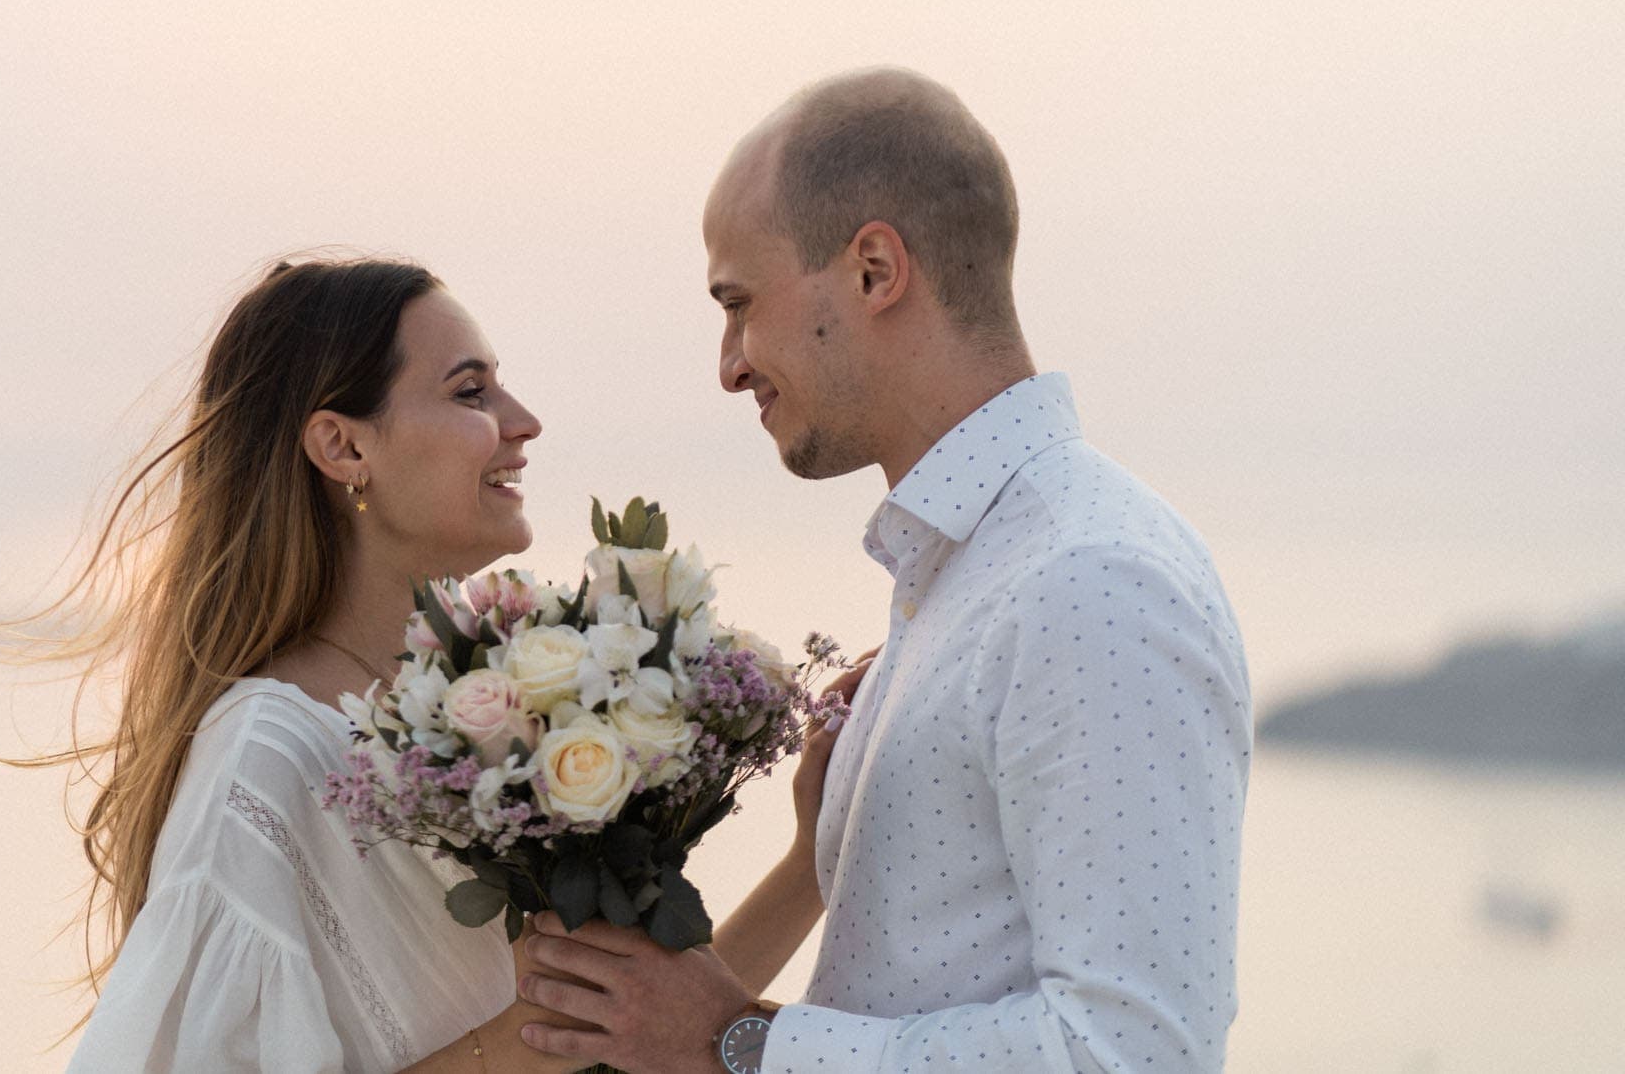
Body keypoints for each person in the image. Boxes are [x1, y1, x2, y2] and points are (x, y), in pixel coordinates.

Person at [513, 68, 1254, 1073]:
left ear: (871, 270)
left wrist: (737, 1044)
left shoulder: (1087, 581)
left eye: (738, 303)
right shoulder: (970, 574)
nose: (728, 362)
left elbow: (1132, 1053)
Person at [26, 257, 574, 1073]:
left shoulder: (489, 707)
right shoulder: (268, 754)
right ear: (343, 445)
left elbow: (644, 1023)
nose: (524, 422)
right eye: (471, 392)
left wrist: (814, 850)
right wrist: (528, 1029)